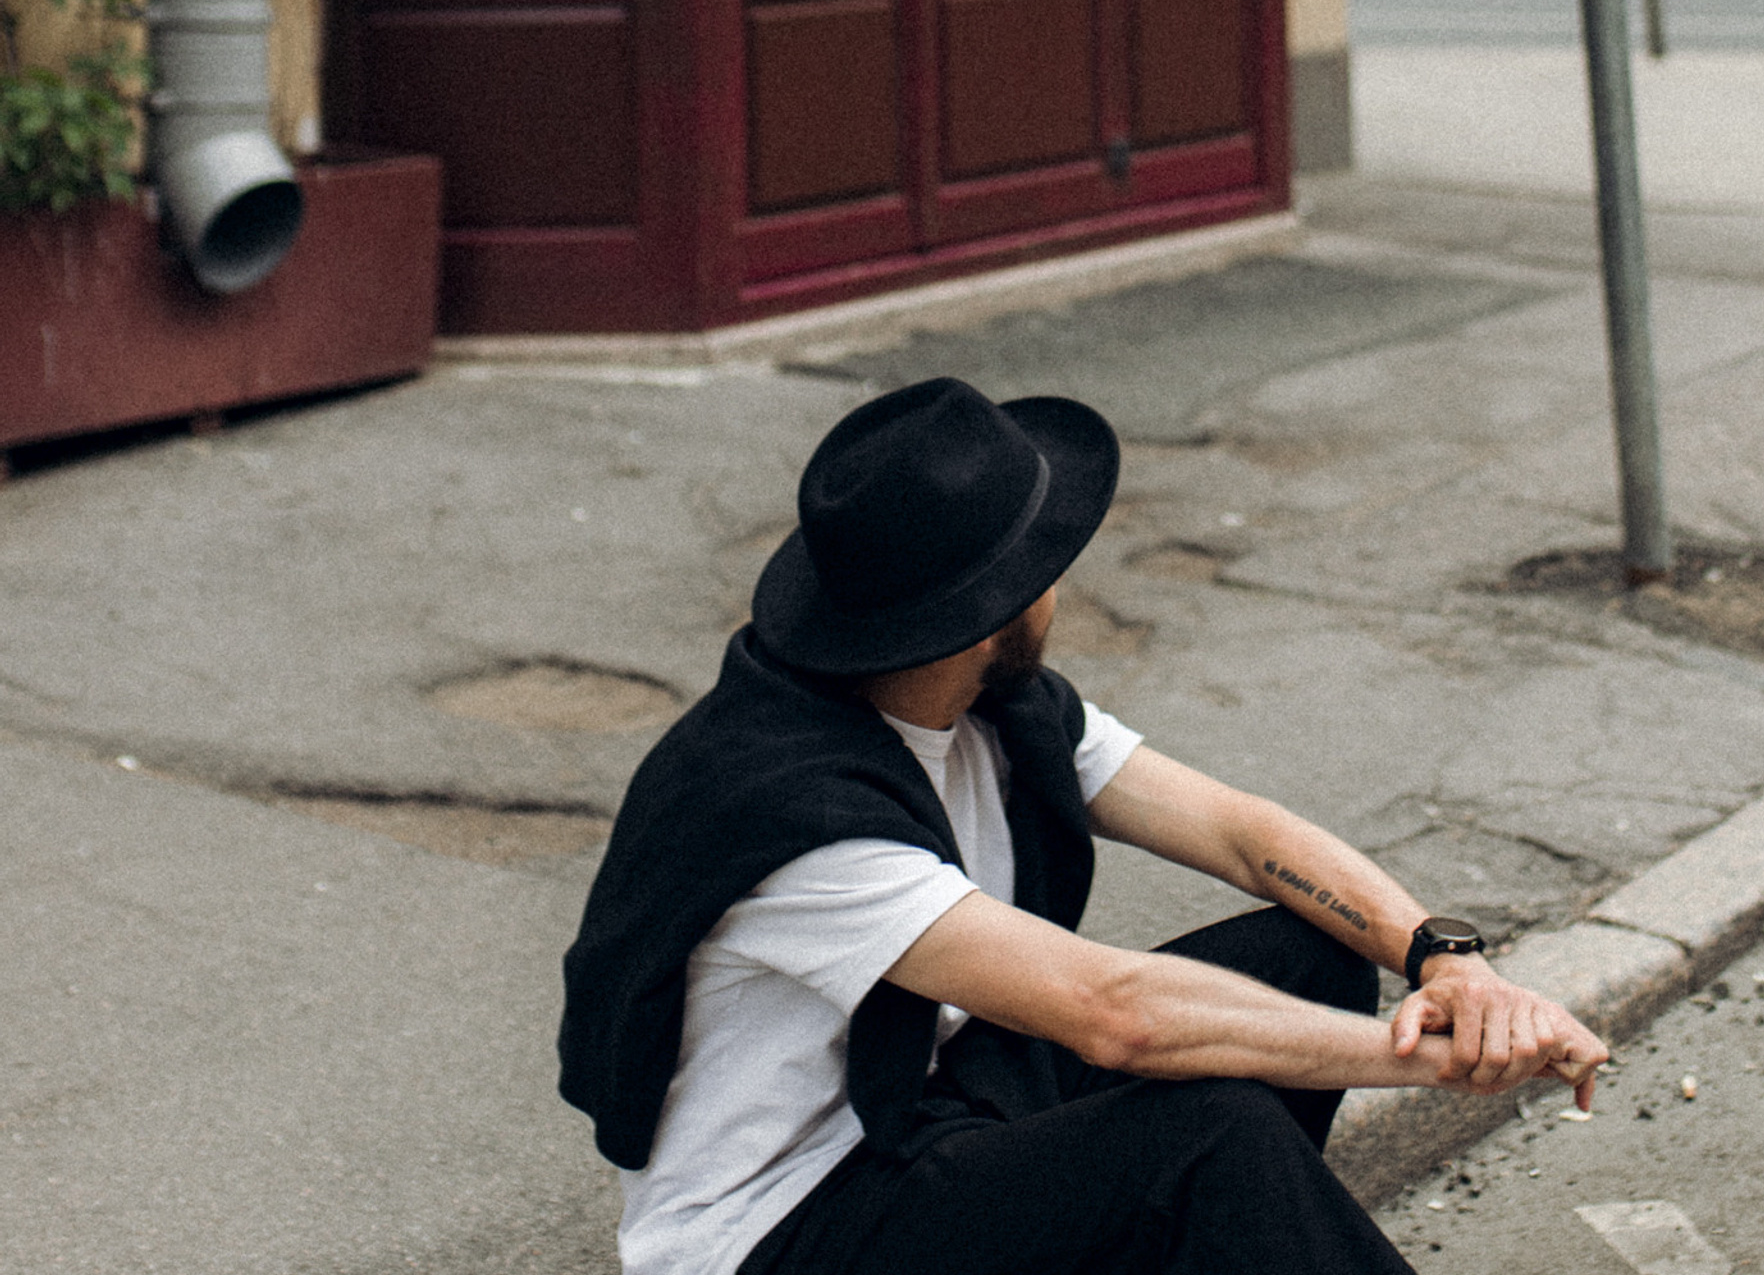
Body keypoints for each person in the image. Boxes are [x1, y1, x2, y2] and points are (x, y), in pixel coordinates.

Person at [560, 377, 1607, 1275]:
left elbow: (1244, 834)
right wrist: (1438, 1062)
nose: (1060, 582)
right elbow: (1117, 1014)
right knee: (1207, 1134)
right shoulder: (790, 811)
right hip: (789, 1225)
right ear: (987, 612)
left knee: (1305, 952)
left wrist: (1445, 964)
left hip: (930, 1105)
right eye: (1042, 561)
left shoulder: (980, 704)